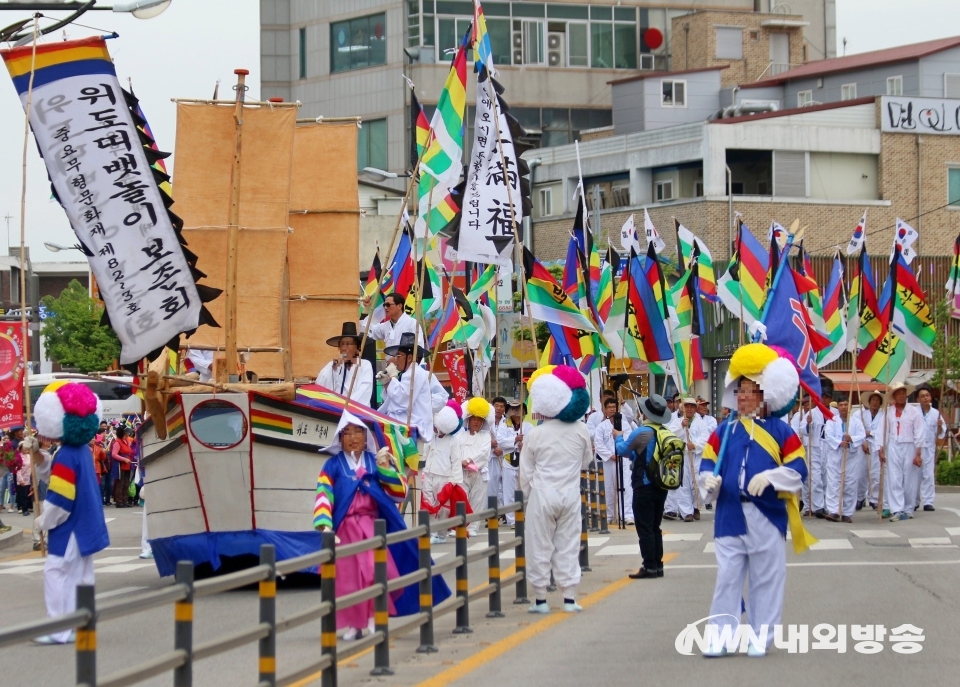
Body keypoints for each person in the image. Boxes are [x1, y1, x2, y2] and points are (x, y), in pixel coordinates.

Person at [698, 343, 815, 657]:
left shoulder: (781, 430)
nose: (744, 396)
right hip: (729, 513)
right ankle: (721, 636)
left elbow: (799, 468)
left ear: (765, 395)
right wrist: (708, 481)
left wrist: (773, 478)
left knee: (766, 577)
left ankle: (761, 636)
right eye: (741, 390)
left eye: (751, 390)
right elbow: (707, 465)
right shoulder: (722, 431)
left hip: (767, 513)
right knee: (727, 577)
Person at [313, 412, 450, 640]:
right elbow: (323, 494)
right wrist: (325, 524)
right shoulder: (332, 466)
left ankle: (374, 618)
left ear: (366, 437)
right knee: (349, 580)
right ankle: (355, 626)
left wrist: (386, 467)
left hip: (371, 527)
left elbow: (398, 493)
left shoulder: (374, 461)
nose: (353, 438)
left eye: (358, 432)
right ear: (340, 438)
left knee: (375, 573)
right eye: (347, 433)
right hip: (345, 529)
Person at [31, 381, 110, 645]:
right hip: (86, 523)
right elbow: (52, 471)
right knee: (81, 574)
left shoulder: (67, 454)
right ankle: (81, 623)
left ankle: (59, 628)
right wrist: (38, 455)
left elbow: (60, 500)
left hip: (71, 526)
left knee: (55, 571)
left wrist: (42, 522)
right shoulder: (80, 451)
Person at [520, 365, 592, 614]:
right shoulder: (582, 430)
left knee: (539, 545)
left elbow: (525, 471)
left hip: (542, 494)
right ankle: (569, 598)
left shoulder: (535, 434)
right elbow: (586, 461)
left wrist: (528, 495)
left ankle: (540, 599)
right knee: (569, 545)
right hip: (570, 493)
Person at [615, 394, 674, 579]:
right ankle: (658, 564)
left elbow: (623, 450)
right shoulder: (665, 431)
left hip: (644, 484)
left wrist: (617, 437)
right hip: (661, 484)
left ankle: (649, 566)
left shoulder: (642, 432)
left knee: (645, 527)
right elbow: (643, 456)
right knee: (655, 526)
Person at [420, 400, 469, 544]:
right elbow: (425, 455)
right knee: (428, 504)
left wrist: (453, 481)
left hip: (445, 478)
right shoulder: (430, 439)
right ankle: (429, 532)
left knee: (443, 508)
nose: (434, 428)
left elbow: (456, 462)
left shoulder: (453, 441)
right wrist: (423, 473)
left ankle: (440, 534)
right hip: (429, 475)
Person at [378, 332, 435, 446]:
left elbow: (402, 400)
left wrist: (393, 377)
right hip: (403, 425)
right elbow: (394, 399)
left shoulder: (415, 372)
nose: (395, 359)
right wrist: (387, 382)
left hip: (412, 428)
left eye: (398, 356)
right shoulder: (406, 374)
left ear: (409, 358)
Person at [879, 382, 924, 521]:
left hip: (909, 445)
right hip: (893, 446)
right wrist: (881, 449)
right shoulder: (888, 412)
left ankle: (909, 508)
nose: (901, 396)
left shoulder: (914, 411)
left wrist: (918, 453)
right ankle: (897, 509)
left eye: (903, 393)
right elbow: (883, 431)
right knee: (894, 477)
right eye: (898, 393)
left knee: (909, 478)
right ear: (894, 396)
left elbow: (919, 432)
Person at [822, 396, 866, 523]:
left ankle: (847, 512)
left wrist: (851, 438)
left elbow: (862, 436)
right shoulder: (832, 421)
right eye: (841, 405)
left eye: (846, 405)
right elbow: (828, 436)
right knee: (834, 483)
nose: (843, 407)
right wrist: (839, 442)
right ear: (838, 407)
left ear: (850, 407)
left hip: (851, 457)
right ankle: (834, 511)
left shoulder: (856, 422)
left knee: (850, 484)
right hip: (836, 456)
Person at [664, 398, 708, 523]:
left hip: (697, 456)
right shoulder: (676, 422)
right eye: (686, 406)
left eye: (692, 407)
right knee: (683, 484)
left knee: (699, 483)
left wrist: (695, 444)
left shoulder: (701, 423)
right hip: (681, 456)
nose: (689, 409)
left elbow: (706, 438)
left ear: (695, 409)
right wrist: (681, 426)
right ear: (682, 408)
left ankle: (695, 506)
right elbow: (669, 435)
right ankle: (686, 512)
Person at [456, 397, 495, 537]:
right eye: (473, 419)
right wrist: (460, 462)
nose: (476, 422)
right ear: (468, 420)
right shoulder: (460, 435)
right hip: (462, 472)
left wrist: (468, 460)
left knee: (477, 500)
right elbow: (456, 450)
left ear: (483, 422)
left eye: (479, 419)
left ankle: (473, 528)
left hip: (479, 473)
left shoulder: (485, 436)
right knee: (462, 499)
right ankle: (461, 526)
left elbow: (483, 453)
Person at [315, 322, 374, 403]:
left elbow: (363, 391)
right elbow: (319, 384)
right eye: (342, 344)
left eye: (348, 344)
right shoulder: (334, 364)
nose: (344, 348)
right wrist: (333, 367)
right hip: (336, 409)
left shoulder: (365, 365)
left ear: (357, 348)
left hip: (354, 411)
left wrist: (345, 405)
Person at [501, 400, 532, 528]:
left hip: (524, 462)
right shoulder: (504, 426)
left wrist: (525, 445)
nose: (516, 411)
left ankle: (526, 516)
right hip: (509, 462)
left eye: (518, 408)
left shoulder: (529, 426)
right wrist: (514, 439)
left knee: (526, 491)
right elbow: (500, 442)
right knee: (508, 492)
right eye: (513, 409)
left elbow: (534, 442)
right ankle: (512, 520)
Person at [796, 397, 826, 517]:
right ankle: (817, 506)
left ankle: (825, 505)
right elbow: (802, 430)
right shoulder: (811, 413)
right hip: (813, 447)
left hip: (830, 448)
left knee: (827, 478)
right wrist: (808, 424)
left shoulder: (834, 412)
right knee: (814, 477)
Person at [917, 387, 945, 512]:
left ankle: (928, 501)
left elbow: (940, 433)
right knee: (915, 476)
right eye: (922, 396)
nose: (925, 398)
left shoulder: (936, 413)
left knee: (928, 475)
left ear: (930, 398)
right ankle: (914, 501)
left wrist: (939, 426)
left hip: (929, 448)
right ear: (918, 399)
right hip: (916, 447)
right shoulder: (914, 412)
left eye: (927, 395)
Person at [592, 397, 619, 525]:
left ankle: (626, 515)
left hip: (622, 460)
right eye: (609, 407)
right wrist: (610, 455)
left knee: (624, 487)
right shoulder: (601, 427)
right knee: (608, 487)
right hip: (608, 461)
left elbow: (629, 438)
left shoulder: (624, 423)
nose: (612, 409)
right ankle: (609, 515)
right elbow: (598, 444)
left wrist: (622, 453)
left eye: (614, 407)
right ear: (605, 410)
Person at [858, 392, 884, 510]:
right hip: (862, 446)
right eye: (873, 400)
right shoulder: (860, 414)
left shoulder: (884, 415)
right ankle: (859, 498)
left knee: (875, 474)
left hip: (877, 446)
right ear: (869, 402)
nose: (875, 402)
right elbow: (856, 430)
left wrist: (870, 433)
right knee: (861, 473)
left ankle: (874, 499)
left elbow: (882, 431)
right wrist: (863, 440)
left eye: (877, 400)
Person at [488, 396, 509, 511]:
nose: (499, 408)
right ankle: (492, 510)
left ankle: (505, 511)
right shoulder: (487, 422)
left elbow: (511, 438)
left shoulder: (507, 422)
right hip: (491, 457)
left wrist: (502, 448)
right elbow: (481, 437)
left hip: (504, 457)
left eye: (501, 406)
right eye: (496, 406)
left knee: (505, 485)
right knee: (492, 484)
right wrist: (490, 444)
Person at [111, 426, 134, 507]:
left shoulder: (127, 441)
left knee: (126, 483)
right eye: (126, 432)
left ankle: (125, 501)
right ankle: (119, 502)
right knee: (120, 484)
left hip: (127, 464)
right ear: (123, 433)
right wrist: (124, 459)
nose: (128, 433)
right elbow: (114, 454)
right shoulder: (117, 442)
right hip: (120, 465)